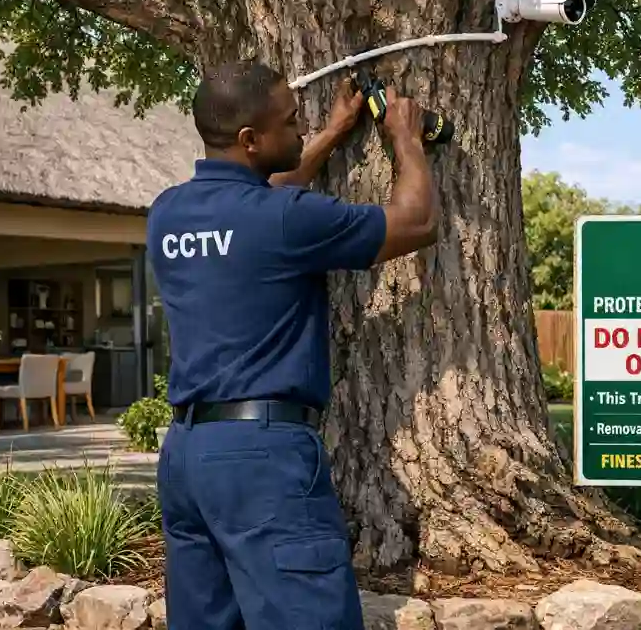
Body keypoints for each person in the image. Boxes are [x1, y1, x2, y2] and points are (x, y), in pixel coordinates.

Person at [145, 60, 438, 630]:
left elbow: (266, 194)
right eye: (291, 122)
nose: (301, 129)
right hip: (263, 459)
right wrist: (403, 136)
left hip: (187, 459)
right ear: (251, 140)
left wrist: (331, 134)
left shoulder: (168, 214)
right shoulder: (284, 219)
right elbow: (418, 220)